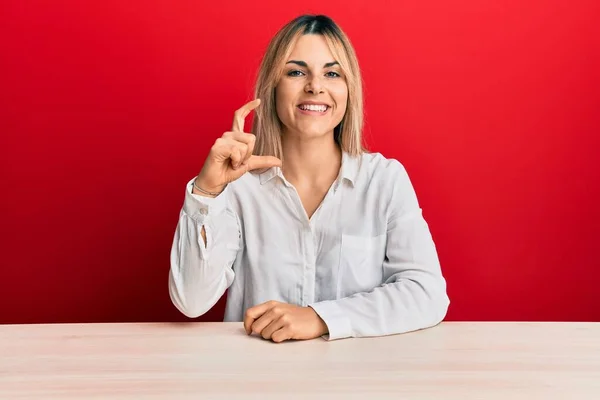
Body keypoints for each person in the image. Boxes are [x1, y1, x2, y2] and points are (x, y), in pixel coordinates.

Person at [169, 14, 450, 343]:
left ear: (349, 90)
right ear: (273, 87)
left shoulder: (384, 181)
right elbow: (191, 302)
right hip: (257, 381)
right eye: (296, 71)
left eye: (332, 73)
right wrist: (207, 193)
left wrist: (320, 318)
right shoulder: (238, 187)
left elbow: (427, 293)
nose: (315, 86)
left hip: (357, 381)